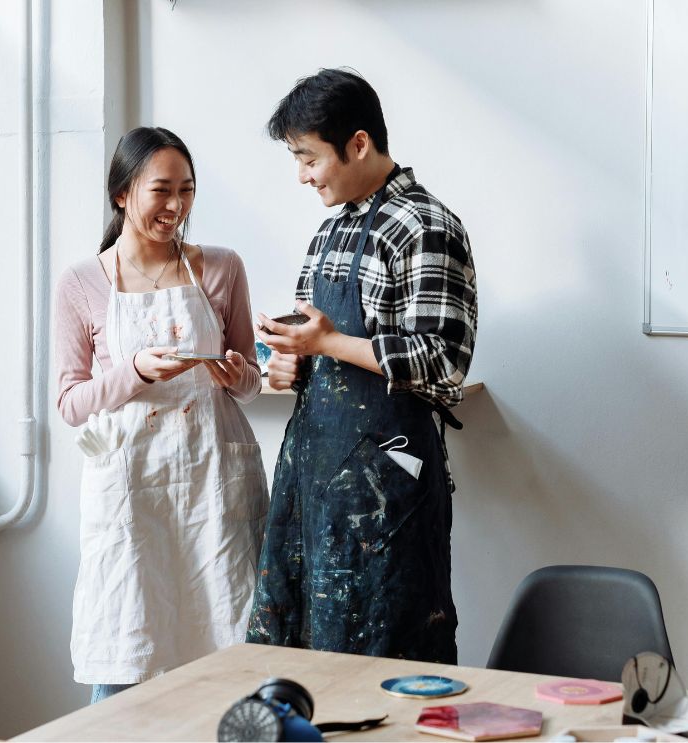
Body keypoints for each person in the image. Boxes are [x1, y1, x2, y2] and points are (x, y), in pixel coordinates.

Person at [246, 69, 478, 663]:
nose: (301, 175)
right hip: (313, 485)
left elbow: (443, 361)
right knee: (298, 660)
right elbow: (310, 339)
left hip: (386, 497)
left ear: (357, 143)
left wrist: (329, 344)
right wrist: (283, 363)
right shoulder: (330, 232)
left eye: (308, 157)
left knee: (386, 660)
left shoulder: (427, 226)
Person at [54, 126, 268, 703]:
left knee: (227, 654)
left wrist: (236, 376)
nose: (177, 206)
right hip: (132, 491)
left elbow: (250, 379)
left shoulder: (222, 268)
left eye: (188, 190)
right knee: (127, 653)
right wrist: (136, 371)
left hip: (211, 486)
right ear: (123, 193)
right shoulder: (81, 283)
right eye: (162, 190)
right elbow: (71, 404)